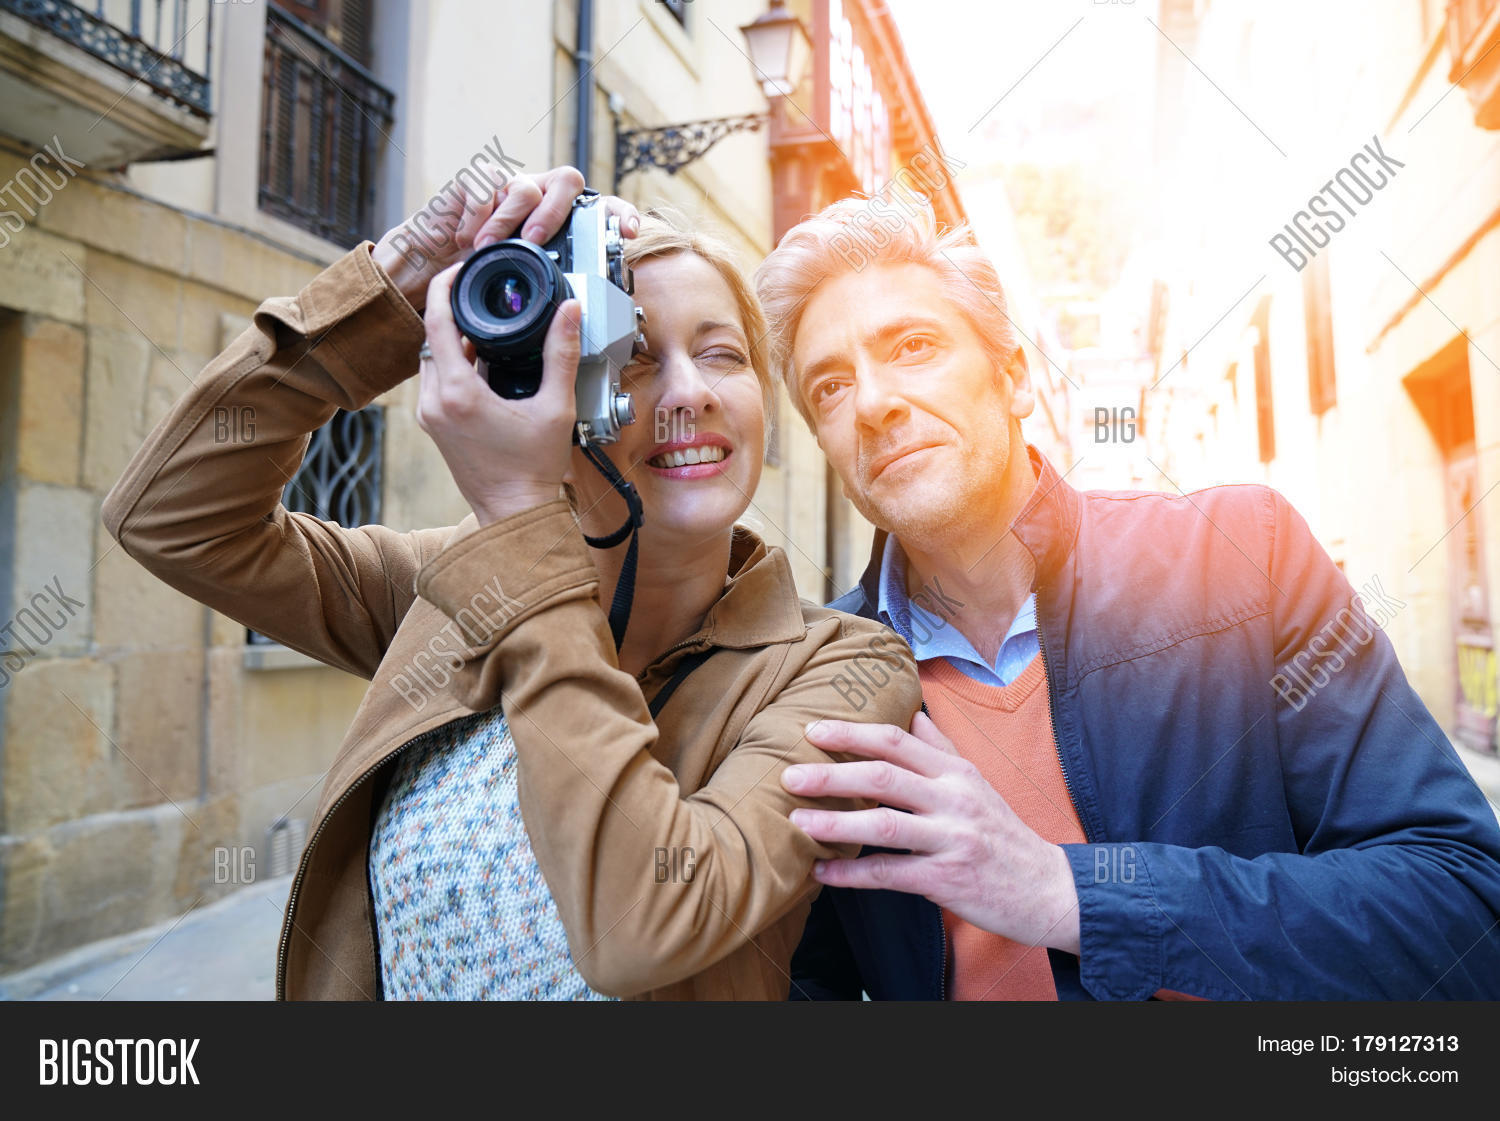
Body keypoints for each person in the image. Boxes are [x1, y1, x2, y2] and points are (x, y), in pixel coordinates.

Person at [100, 165, 920, 1000]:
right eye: (634, 356)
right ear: (553, 387)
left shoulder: (842, 668)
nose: (690, 391)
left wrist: (521, 511)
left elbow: (641, 925)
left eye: (722, 354)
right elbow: (172, 515)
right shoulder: (453, 590)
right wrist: (398, 283)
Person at [752, 194, 1500, 1000]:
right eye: (831, 387)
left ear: (1014, 378)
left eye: (914, 345)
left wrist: (1074, 893)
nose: (872, 403)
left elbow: (1463, 911)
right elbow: (802, 985)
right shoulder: (814, 677)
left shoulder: (1245, 556)